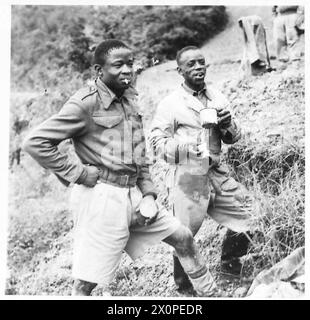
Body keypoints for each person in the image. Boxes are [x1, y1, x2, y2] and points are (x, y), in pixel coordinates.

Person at [23, 39, 218, 297]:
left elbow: (139, 153)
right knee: (86, 282)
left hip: (134, 196)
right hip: (101, 198)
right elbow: (35, 142)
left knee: (183, 237)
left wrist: (148, 192)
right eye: (118, 65)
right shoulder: (84, 103)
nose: (127, 70)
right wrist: (79, 173)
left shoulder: (128, 100)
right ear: (98, 71)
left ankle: (209, 294)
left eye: (130, 63)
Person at [149, 46, 257, 291]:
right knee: (183, 233)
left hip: (215, 172)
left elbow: (233, 137)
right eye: (191, 64)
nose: (198, 67)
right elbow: (156, 143)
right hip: (187, 176)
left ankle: (230, 266)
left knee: (251, 213)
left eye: (201, 62)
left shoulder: (218, 97)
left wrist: (228, 125)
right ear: (180, 71)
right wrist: (185, 147)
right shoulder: (171, 104)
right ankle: (185, 287)